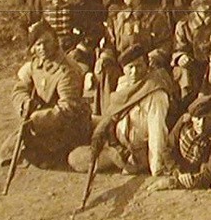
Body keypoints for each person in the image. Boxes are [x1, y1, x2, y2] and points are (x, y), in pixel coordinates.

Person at [70, 44, 175, 177]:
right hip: (118, 145)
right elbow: (113, 115)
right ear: (123, 69)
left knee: (97, 158)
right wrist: (102, 135)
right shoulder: (123, 84)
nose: (134, 72)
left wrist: (157, 168)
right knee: (74, 157)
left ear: (147, 66)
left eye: (139, 66)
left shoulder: (155, 91)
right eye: (130, 67)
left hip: (139, 150)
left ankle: (131, 163)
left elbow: (157, 131)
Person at [8, 21, 92, 168]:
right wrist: (25, 102)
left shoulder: (66, 70)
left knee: (38, 150)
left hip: (70, 125)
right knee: (15, 143)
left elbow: (69, 108)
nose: (42, 48)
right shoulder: (36, 65)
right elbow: (20, 88)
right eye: (38, 44)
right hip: (45, 122)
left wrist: (38, 119)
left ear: (55, 41)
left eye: (46, 42)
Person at [94, 0, 172, 108]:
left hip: (147, 67)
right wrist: (105, 57)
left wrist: (152, 58)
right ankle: (108, 112)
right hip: (123, 68)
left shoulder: (155, 17)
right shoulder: (116, 19)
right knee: (107, 70)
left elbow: (165, 43)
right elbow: (109, 44)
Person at [28, 0, 98, 74]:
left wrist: (80, 49)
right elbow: (32, 25)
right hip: (49, 52)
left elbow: (95, 29)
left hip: (74, 51)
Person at [150, 94, 211, 190]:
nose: (201, 124)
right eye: (197, 118)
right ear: (192, 118)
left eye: (206, 119)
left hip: (198, 174)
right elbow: (168, 148)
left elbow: (210, 174)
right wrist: (177, 171)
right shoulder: (184, 123)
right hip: (178, 168)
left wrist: (174, 182)